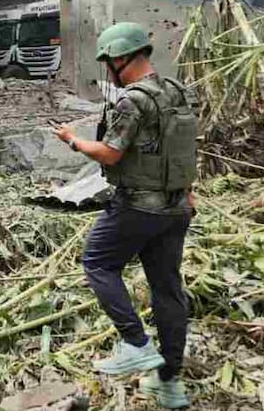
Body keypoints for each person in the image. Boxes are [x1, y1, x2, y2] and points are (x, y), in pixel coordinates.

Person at [52, 21, 197, 409]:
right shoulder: (176, 92)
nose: (108, 68)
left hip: (138, 206)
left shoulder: (132, 101)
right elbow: (181, 150)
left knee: (97, 261)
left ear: (120, 58)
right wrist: (186, 192)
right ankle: (169, 385)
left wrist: (74, 140)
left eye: (108, 61)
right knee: (167, 289)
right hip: (178, 206)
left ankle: (134, 342)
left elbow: (111, 153)